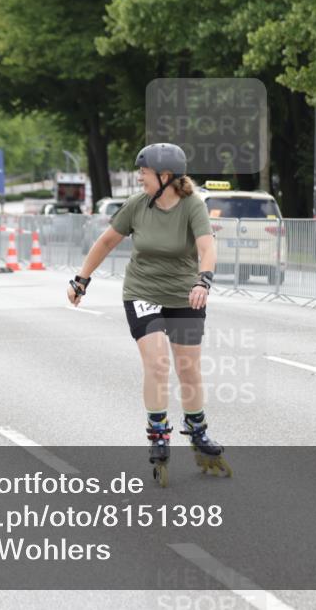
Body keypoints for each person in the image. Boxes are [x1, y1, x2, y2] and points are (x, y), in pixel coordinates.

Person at [66, 143, 230, 487]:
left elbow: (206, 246)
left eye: (144, 171)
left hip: (185, 294)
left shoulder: (192, 206)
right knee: (157, 363)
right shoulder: (136, 206)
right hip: (143, 292)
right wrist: (82, 280)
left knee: (188, 368)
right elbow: (106, 241)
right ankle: (158, 432)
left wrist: (204, 280)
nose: (139, 176)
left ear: (165, 176)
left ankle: (198, 432)